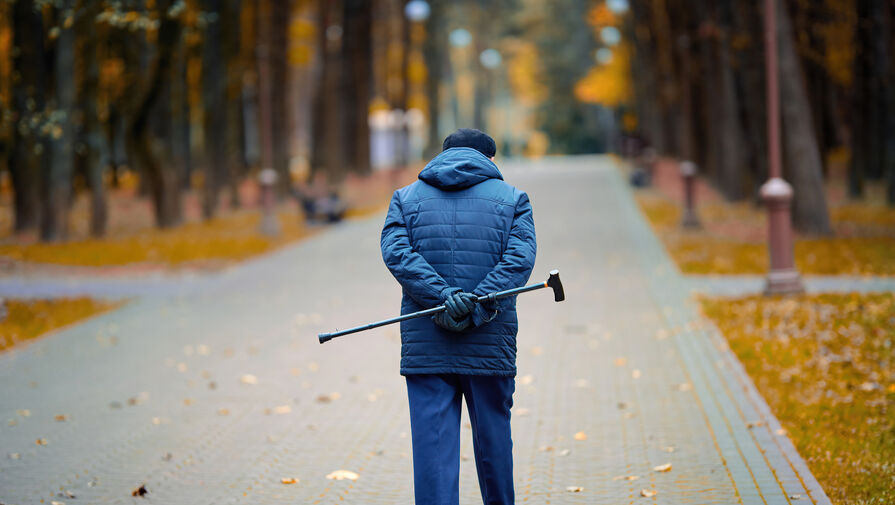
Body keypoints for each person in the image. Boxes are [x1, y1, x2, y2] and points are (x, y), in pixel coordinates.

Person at [380, 128, 537, 505]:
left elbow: (396, 254)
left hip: (426, 345)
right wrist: (478, 304)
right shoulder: (514, 200)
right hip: (489, 343)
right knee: (494, 445)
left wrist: (443, 297)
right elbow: (519, 262)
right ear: (490, 159)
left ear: (442, 154)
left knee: (433, 454)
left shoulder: (404, 199)